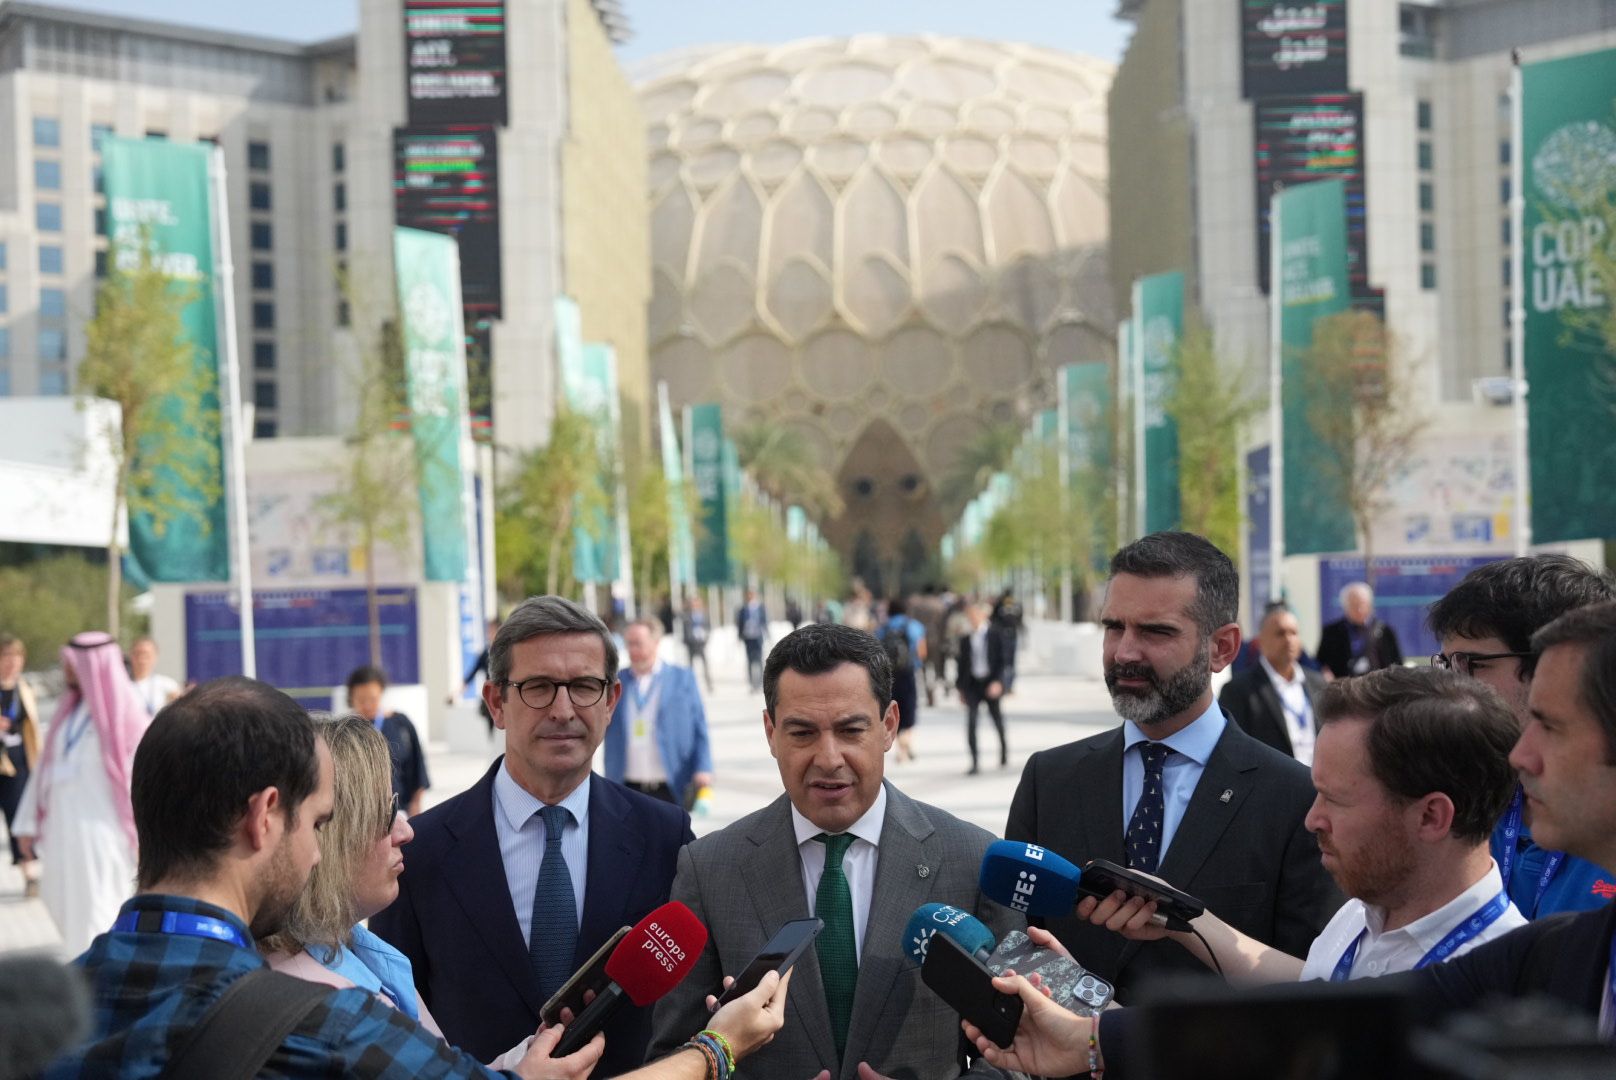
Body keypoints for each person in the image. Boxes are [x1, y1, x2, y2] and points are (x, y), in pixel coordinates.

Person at [967, 601, 1616, 1078]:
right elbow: (1319, 1003)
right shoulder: (1368, 922)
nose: (1524, 756)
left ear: (1431, 817)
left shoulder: (1512, 974)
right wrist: (1169, 941)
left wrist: (1091, 1039)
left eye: (1551, 727)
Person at [46, 676, 789, 1080]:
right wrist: (715, 1051)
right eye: (319, 823)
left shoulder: (35, 1019)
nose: (316, 855)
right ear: (263, 818)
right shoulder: (325, 1025)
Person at [648, 623, 1021, 1079]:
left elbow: (1016, 1056)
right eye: (802, 733)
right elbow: (670, 1057)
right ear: (770, 732)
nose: (828, 758)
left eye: (850, 730)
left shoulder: (972, 858)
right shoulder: (709, 870)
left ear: (889, 725)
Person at [1005, 532, 1340, 1003]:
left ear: (1222, 648)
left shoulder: (1294, 798)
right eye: (1114, 627)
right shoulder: (1050, 780)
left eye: (1155, 631)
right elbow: (1011, 945)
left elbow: (1314, 992)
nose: (1124, 652)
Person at [370, 596, 694, 1074]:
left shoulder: (666, 837)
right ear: (496, 703)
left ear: (611, 701)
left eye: (584, 686)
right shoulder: (419, 852)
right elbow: (393, 1026)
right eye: (539, 687)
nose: (563, 710)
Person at [1078, 666, 1526, 986]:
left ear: (1431, 816)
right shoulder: (1363, 915)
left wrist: (1101, 1041)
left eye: (1335, 799)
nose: (1313, 819)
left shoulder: (1496, 988)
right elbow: (1314, 990)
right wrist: (1184, 921)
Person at [1426, 553, 1616, 917]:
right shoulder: (1455, 799)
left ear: (1553, 662)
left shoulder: (1597, 816)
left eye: (1472, 664)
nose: (1449, 685)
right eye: (1446, 664)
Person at [13, 632, 150, 956]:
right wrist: (26, 825)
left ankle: (95, 990)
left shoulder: (128, 716)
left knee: (97, 911)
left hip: (105, 836)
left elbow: (145, 778)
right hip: (62, 833)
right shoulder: (69, 714)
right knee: (62, 905)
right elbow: (45, 772)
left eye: (72, 664)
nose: (67, 670)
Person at [604, 618, 714, 807]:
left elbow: (699, 725)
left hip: (671, 784)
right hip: (626, 785)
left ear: (656, 642)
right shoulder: (616, 681)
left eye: (638, 644)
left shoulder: (682, 678)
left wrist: (703, 767)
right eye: (628, 643)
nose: (632, 650)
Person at [1218, 602, 1328, 764]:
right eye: (1280, 633)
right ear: (1261, 640)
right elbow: (1232, 750)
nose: (1289, 640)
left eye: (1294, 633)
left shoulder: (1318, 683)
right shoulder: (1238, 690)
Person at [346, 665, 430, 817]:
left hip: (399, 808)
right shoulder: (346, 730)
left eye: (372, 699)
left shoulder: (400, 724)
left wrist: (416, 804)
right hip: (360, 813)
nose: (367, 705)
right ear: (351, 698)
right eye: (361, 699)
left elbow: (418, 764)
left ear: (381, 693)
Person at [0, 633, 43, 897]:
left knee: (20, 816)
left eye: (16, 657)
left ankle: (30, 875)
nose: (11, 663)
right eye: (6, 657)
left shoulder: (24, 689)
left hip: (17, 760)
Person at [957, 602, 1007, 775]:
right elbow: (961, 665)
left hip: (990, 681)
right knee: (971, 723)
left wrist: (998, 682)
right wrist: (961, 689)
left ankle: (1003, 752)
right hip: (973, 684)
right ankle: (975, 761)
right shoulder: (965, 639)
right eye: (970, 617)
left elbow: (1003, 661)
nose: (972, 620)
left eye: (975, 616)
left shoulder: (995, 635)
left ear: (983, 616)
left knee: (997, 720)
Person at [1316, 582, 1403, 679]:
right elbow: (1320, 663)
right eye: (1354, 605)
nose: (1360, 610)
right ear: (1345, 607)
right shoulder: (1331, 632)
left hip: (1377, 688)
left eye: (1362, 604)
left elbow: (1396, 665)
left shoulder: (1385, 631)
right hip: (1342, 688)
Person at [878, 596, 927, 763]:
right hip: (908, 672)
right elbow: (921, 651)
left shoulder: (883, 628)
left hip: (889, 674)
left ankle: (901, 747)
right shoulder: (914, 626)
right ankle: (906, 742)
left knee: (893, 708)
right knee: (909, 709)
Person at [452, 617, 502, 735]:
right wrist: (457, 693)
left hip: (505, 697)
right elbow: (471, 674)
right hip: (492, 698)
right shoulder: (485, 653)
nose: (489, 634)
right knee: (493, 732)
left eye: (492, 630)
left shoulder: (509, 652)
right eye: (488, 630)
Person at [127, 636, 179, 717]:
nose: (142, 659)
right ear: (131, 656)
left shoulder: (168, 685)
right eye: (137, 654)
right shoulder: (122, 685)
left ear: (155, 656)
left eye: (147, 655)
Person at [990, 590, 1024, 692]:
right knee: (1006, 662)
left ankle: (1008, 686)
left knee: (1008, 663)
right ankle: (1005, 685)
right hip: (1004, 637)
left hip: (1010, 636)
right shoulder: (1003, 605)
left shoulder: (1011, 605)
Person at [737, 589, 769, 692]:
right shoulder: (743, 609)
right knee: (750, 660)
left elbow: (764, 621)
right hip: (748, 637)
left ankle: (759, 683)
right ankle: (751, 683)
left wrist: (767, 634)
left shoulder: (760, 607)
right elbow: (740, 624)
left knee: (759, 660)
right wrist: (739, 636)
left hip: (758, 636)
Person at [681, 595, 714, 694]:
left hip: (701, 642)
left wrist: (706, 638)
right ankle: (689, 685)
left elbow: (708, 627)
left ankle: (709, 684)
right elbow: (685, 630)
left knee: (705, 664)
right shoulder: (686, 616)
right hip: (691, 643)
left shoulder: (704, 615)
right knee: (690, 666)